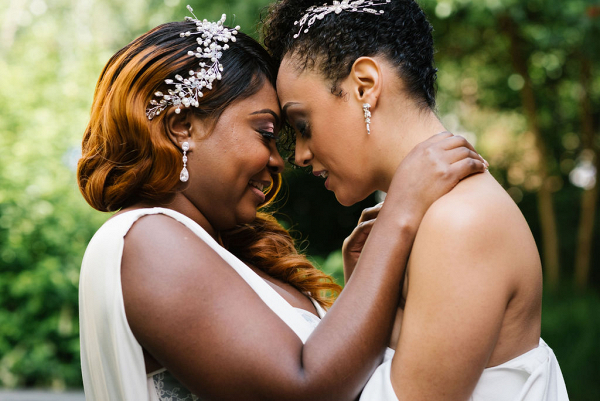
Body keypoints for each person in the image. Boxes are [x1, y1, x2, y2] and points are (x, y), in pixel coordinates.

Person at [77, 6, 487, 400]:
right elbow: (303, 387)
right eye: (266, 131)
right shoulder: (149, 240)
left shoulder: (214, 249)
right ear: (183, 126)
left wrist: (363, 285)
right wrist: (401, 214)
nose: (279, 160)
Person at [262, 0, 569, 400]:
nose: (300, 154)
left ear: (365, 86)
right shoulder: (427, 219)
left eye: (303, 125)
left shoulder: (460, 221)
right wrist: (370, 279)